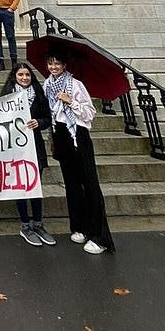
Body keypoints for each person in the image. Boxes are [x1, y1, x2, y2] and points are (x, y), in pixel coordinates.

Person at [43, 51, 115, 254]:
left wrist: (69, 101)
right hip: (61, 136)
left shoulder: (75, 85)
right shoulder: (47, 86)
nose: (54, 67)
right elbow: (50, 113)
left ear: (65, 65)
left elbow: (89, 112)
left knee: (90, 185)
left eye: (57, 63)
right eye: (50, 63)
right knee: (72, 185)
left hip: (78, 135)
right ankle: (80, 227)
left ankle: (100, 237)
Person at [0, 63, 55, 247]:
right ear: (14, 76)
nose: (24, 78)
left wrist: (39, 122)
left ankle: (38, 224)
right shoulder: (6, 96)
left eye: (28, 75)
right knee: (20, 185)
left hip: (35, 145)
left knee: (35, 185)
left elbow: (47, 118)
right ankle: (25, 225)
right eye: (21, 74)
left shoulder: (39, 95)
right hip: (16, 146)